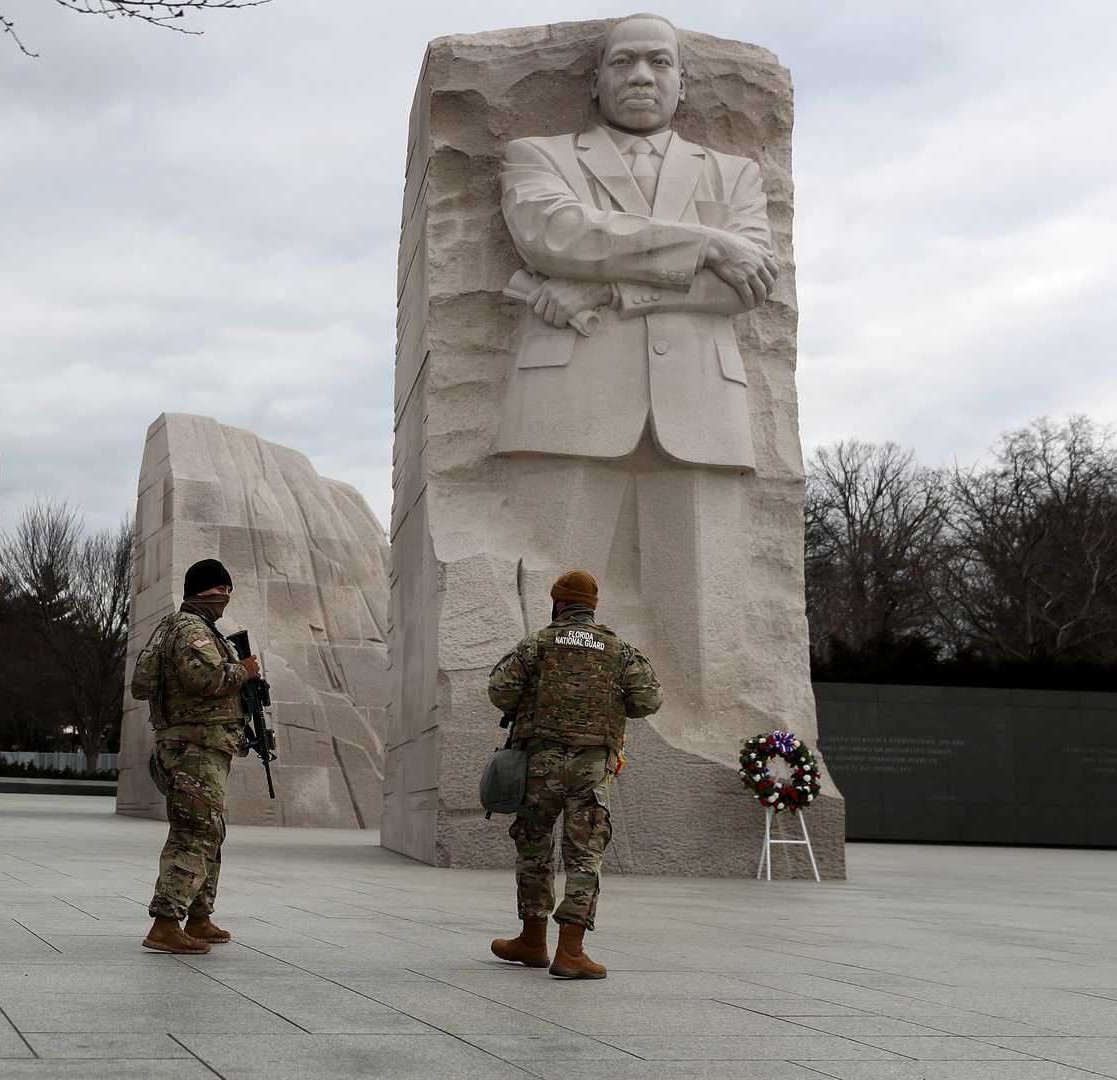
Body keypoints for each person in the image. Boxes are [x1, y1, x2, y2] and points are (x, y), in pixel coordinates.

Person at [493, 12, 778, 752]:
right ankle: (534, 747)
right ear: (595, 81)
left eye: (659, 63)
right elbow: (555, 235)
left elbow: (746, 288)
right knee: (547, 597)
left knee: (706, 625)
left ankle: (708, 738)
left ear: (683, 83)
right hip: (568, 401)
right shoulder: (538, 155)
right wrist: (707, 243)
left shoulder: (734, 174)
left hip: (702, 406)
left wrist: (615, 292)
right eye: (624, 63)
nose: (642, 76)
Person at [486, 570, 661, 979]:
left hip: (538, 766)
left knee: (534, 848)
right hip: (591, 769)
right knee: (584, 854)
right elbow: (649, 699)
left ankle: (532, 939)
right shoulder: (619, 649)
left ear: (559, 603)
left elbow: (500, 690)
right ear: (591, 608)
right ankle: (571, 951)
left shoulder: (538, 643)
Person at [139, 558, 261, 954]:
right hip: (194, 748)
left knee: (210, 830)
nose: (225, 595)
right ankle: (165, 923)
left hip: (197, 746)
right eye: (220, 589)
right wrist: (244, 671)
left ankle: (199, 917)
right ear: (203, 590)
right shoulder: (192, 630)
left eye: (227, 589)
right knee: (194, 831)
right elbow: (203, 678)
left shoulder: (182, 627)